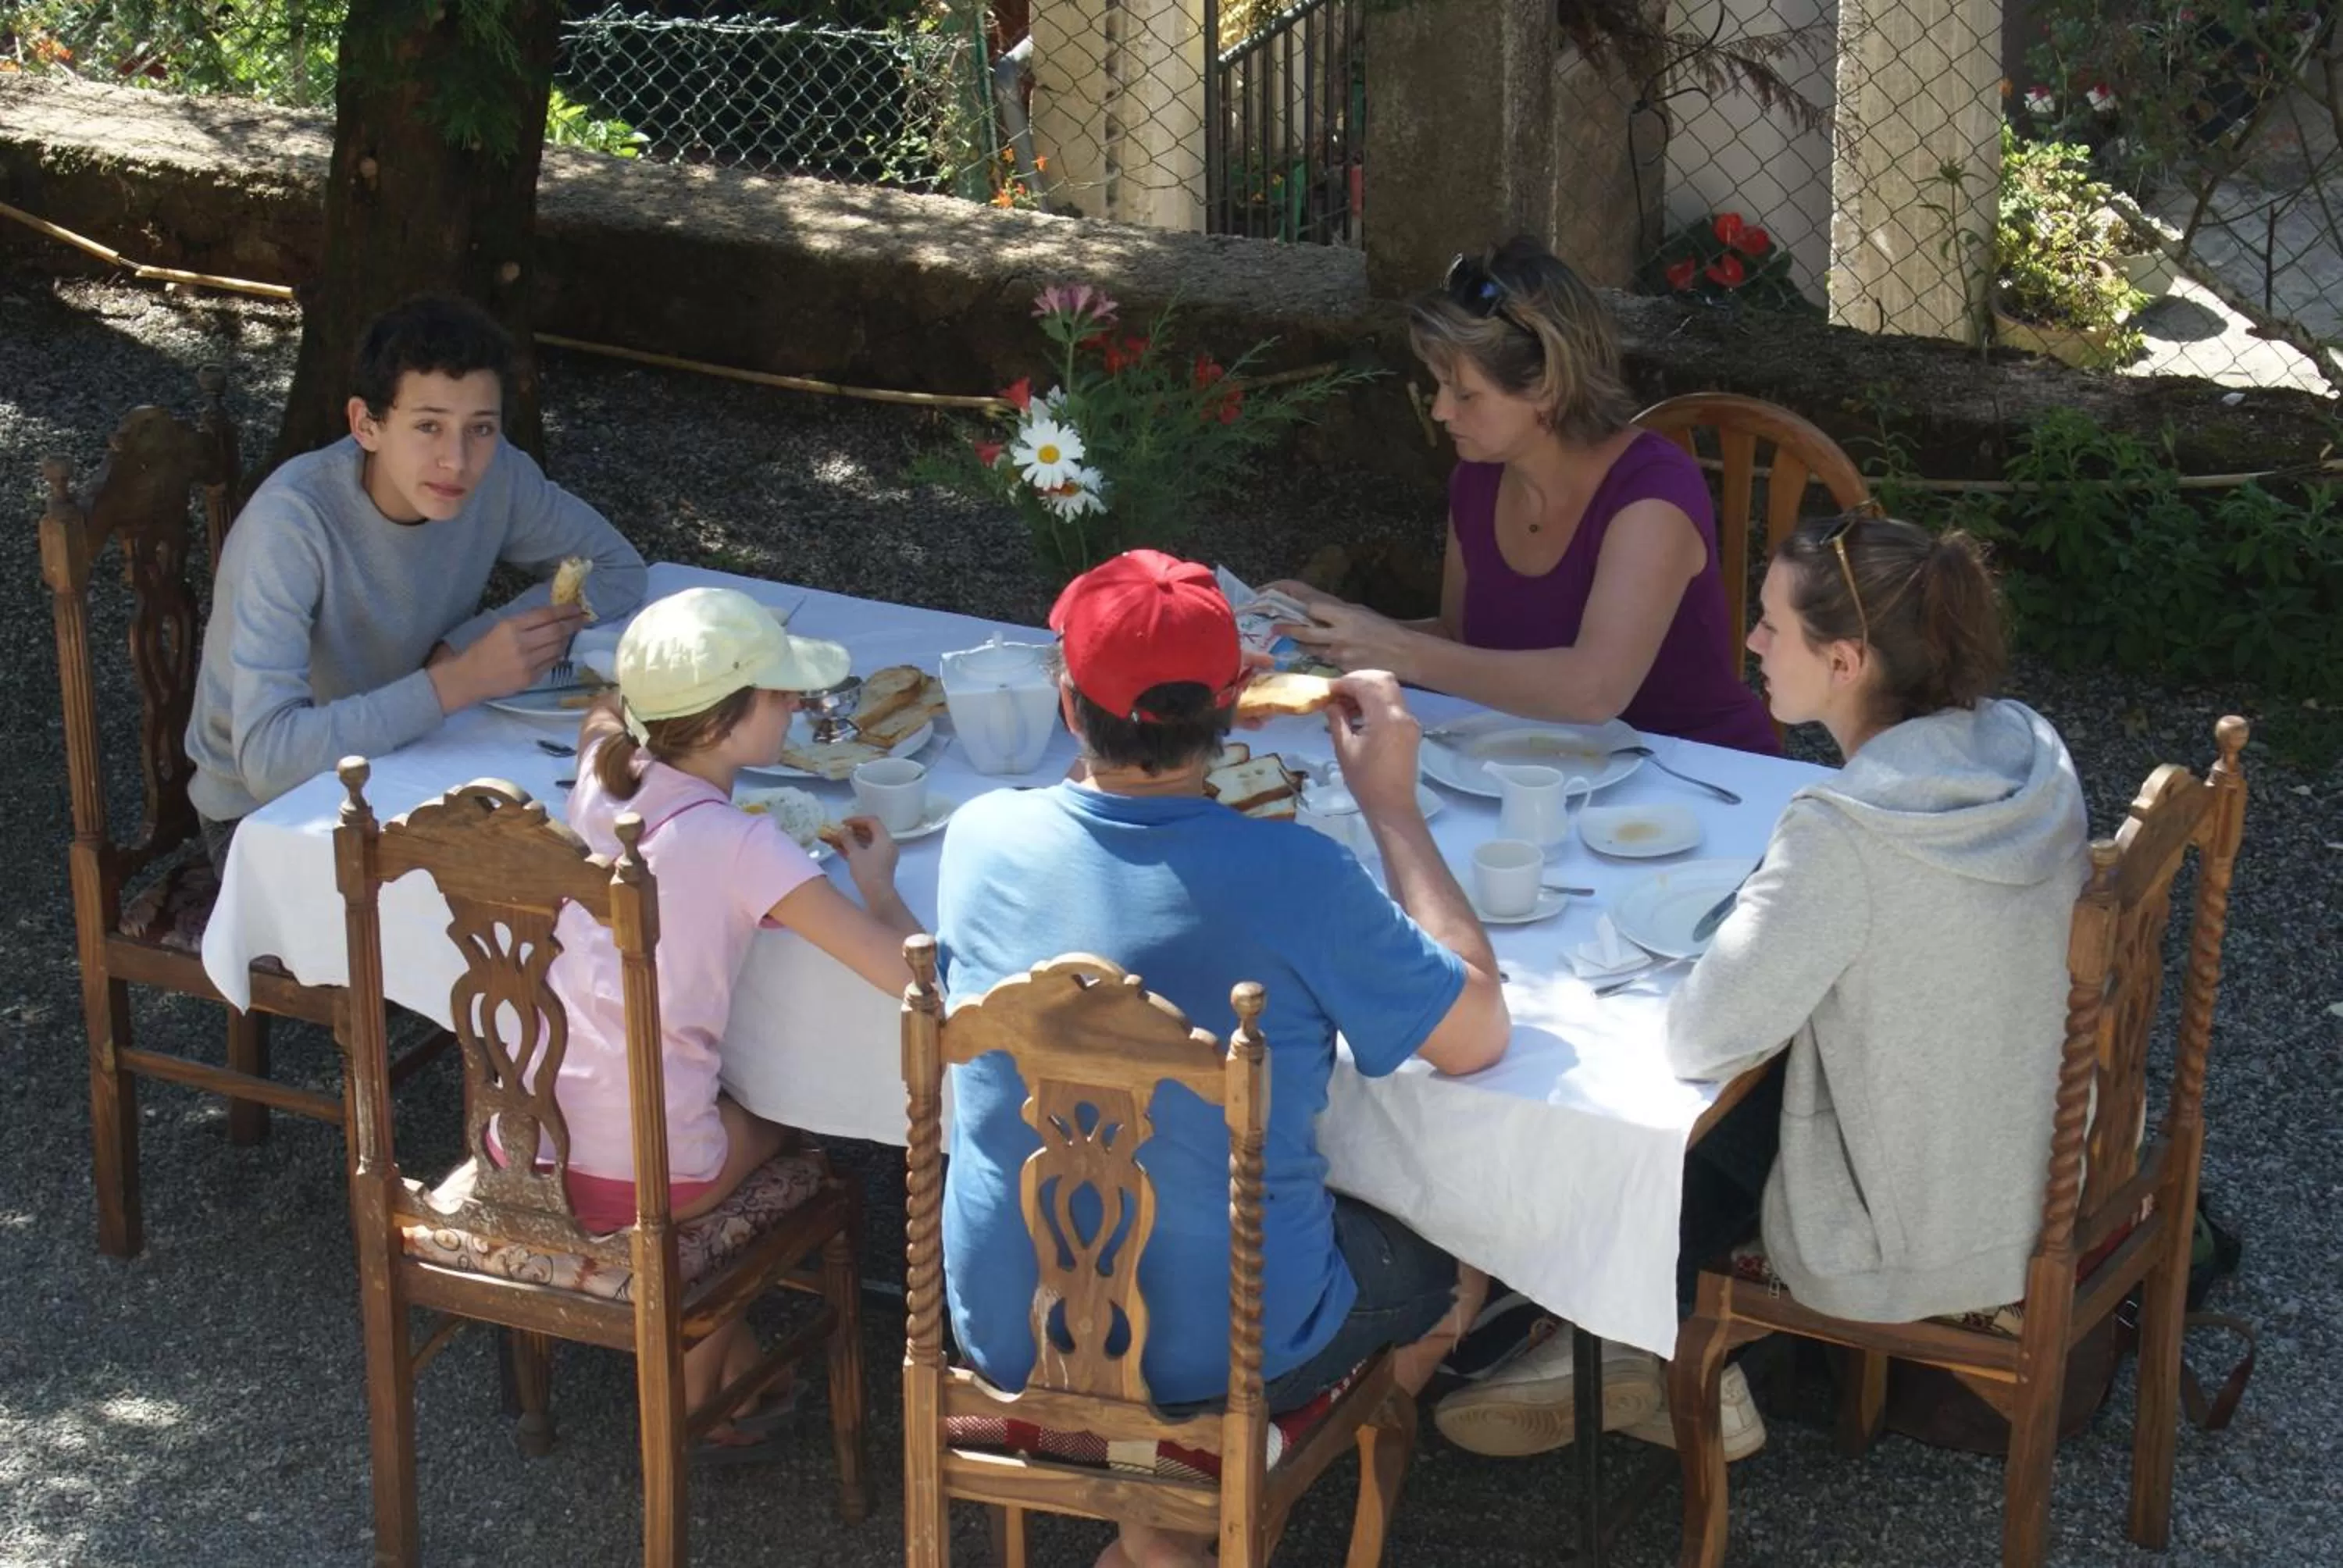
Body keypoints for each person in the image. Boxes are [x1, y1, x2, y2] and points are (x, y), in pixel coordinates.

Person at [1437, 514, 2089, 1461]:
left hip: (1920, 1217)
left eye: (1772, 625)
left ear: (1847, 660)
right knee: (1774, 1058)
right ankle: (1603, 1331)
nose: (1751, 643)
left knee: (1656, 1110)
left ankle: (1624, 1330)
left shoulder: (1849, 833)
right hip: (2042, 1144)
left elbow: (1702, 1035)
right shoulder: (2025, 750)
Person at [934, 550, 1512, 1568]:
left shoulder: (980, 838)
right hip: (1232, 1347)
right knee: (1464, 1244)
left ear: (1069, 705)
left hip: (1011, 1328)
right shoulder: (1298, 873)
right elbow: (1477, 1038)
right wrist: (1393, 806)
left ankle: (1161, 1526)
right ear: (1237, 708)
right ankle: (1197, 1520)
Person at [526, 587, 924, 1459]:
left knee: (731, 1096)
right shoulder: (747, 846)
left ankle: (727, 1353)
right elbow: (907, 978)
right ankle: (702, 1368)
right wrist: (884, 886)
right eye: (778, 693)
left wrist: (632, 700)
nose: (795, 706)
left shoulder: (599, 783)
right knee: (790, 1112)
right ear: (720, 723)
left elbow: (600, 717)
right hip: (645, 1175)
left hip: (528, 1141)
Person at [1264, 236, 1778, 755]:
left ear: (1549, 388)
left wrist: (1400, 651)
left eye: (1465, 393)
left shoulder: (1651, 495)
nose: (1441, 410)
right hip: (1550, 768)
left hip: (1704, 778)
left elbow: (1594, 691)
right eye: (1439, 385)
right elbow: (1462, 641)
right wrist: (1336, 627)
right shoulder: (1478, 478)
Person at [186, 294, 647, 864]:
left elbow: (618, 568)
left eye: (480, 428)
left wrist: (466, 645)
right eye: (428, 425)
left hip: (410, 752)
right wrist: (459, 682)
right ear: (366, 424)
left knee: (592, 861)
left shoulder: (498, 472)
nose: (457, 460)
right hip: (264, 818)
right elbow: (267, 761)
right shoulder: (293, 524)